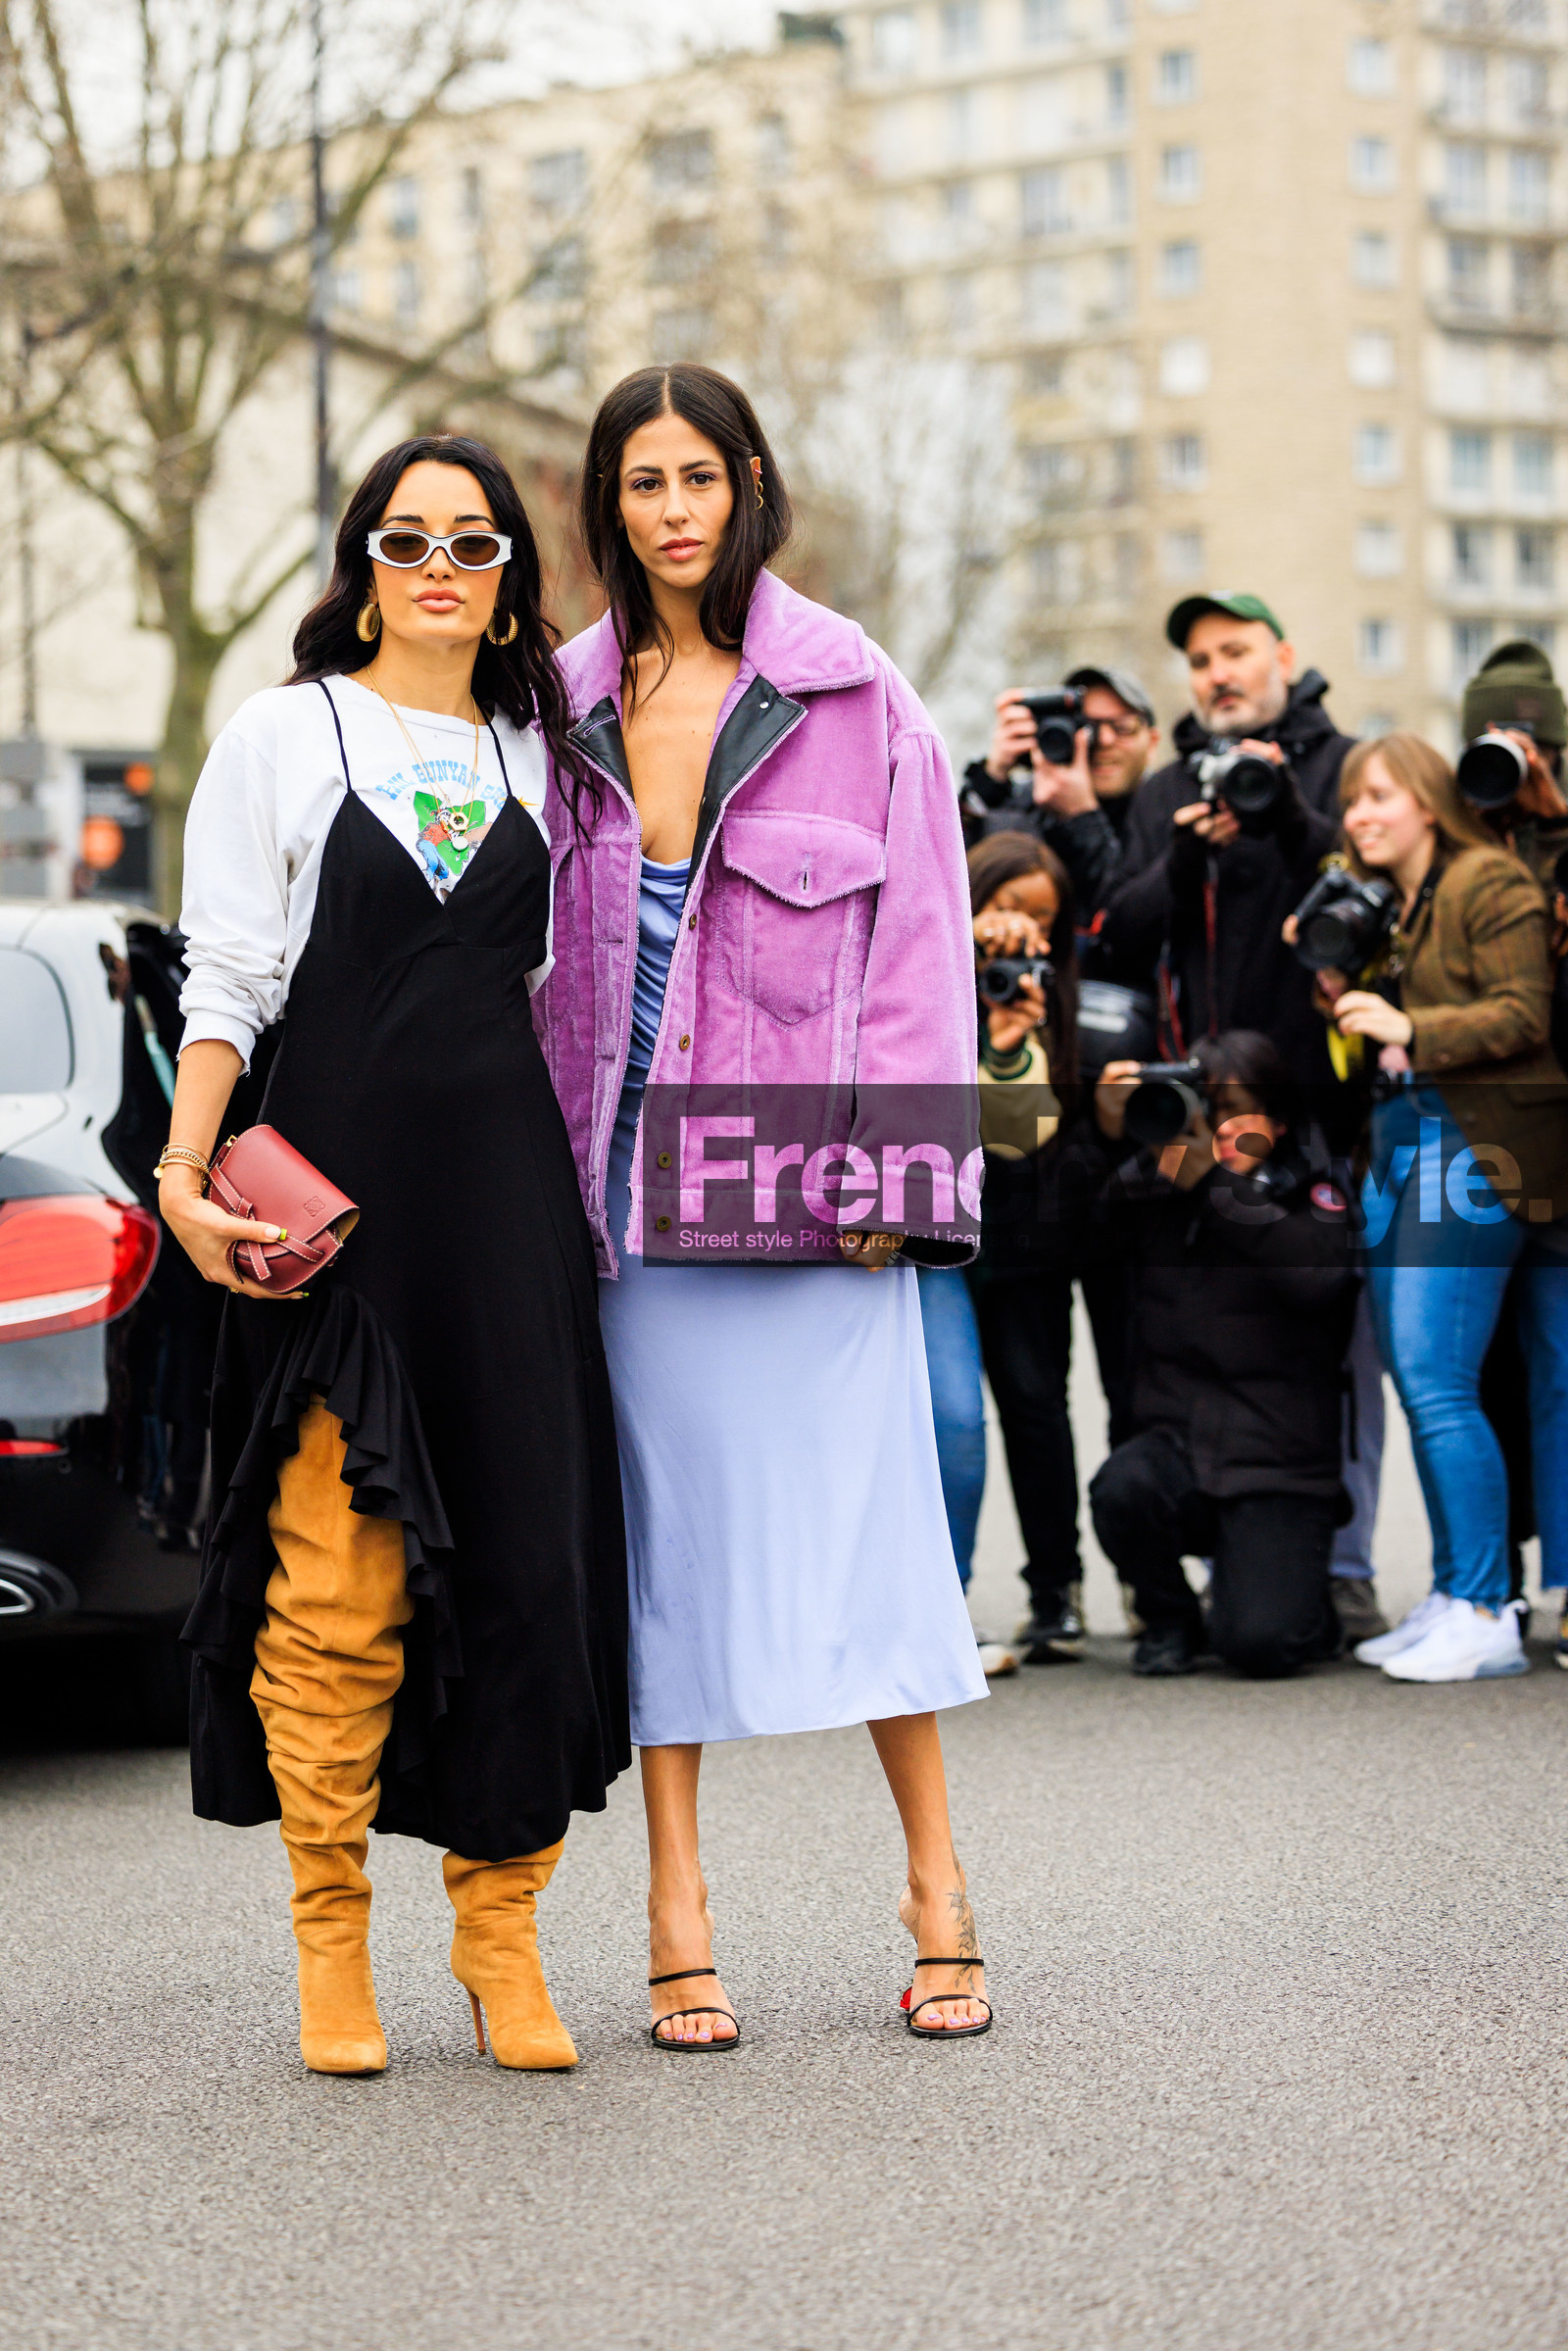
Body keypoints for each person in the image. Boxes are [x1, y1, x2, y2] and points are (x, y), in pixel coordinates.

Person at [534, 364, 992, 2047]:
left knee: (876, 1541)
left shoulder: (854, 693)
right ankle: (674, 1899)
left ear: (749, 489)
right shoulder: (552, 702)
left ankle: (940, 1885)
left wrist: (900, 1170)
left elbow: (923, 951)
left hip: (805, 1189)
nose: (672, 510)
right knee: (667, 1558)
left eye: (700, 477)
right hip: (621, 1205)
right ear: (610, 501)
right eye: (642, 481)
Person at [164, 436, 630, 2075]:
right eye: (407, 534)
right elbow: (224, 973)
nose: (440, 561)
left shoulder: (546, 758)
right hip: (340, 1221)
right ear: (363, 558)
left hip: (505, 1219)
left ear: (512, 576)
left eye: (475, 539)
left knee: (524, 1574)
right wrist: (180, 1163)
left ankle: (502, 1940)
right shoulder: (286, 734)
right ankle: (331, 1942)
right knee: (338, 1585)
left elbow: (571, 1003)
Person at [1324, 733, 1568, 1683]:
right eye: (1351, 801)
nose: (1358, 814)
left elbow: (1523, 1012)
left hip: (1474, 1140)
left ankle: (1482, 1605)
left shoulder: (1487, 881)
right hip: (1413, 1134)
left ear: (1428, 799)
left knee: (1434, 1375)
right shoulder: (1411, 901)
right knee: (1418, 1376)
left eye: (1377, 794)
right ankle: (1451, 1589)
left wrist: (1409, 1024)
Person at [1082, 1032, 1357, 1678]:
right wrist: (1127, 1134)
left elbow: (1315, 1277)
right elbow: (1089, 1234)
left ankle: (1295, 1603)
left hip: (1278, 1463)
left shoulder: (1311, 1191)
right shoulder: (1161, 1185)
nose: (1219, 1128)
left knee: (1260, 1645)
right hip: (1181, 1447)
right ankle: (1171, 1616)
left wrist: (1218, 1185)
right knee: (1121, 1487)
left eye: (1238, 1112)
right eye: (1207, 1107)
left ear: (1281, 1121)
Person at [942, 833, 1130, 1664]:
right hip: (932, 1228)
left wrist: (1012, 1035)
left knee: (1034, 1405)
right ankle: (937, 1597)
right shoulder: (927, 961)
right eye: (1012, 911)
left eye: (1047, 921)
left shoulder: (1057, 1003)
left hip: (1028, 1236)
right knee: (951, 1418)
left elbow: (1028, 1133)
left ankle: (1056, 1588)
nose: (1030, 936)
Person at [1096, 593, 1354, 1089]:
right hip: (1198, 1093)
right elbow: (1120, 938)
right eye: (1200, 662)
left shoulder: (1347, 767)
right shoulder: (1166, 789)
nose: (1217, 675)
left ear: (1284, 659)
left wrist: (1293, 819)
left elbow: (1377, 901)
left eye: (1235, 653)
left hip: (1323, 1093)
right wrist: (1180, 865)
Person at [961, 664, 1159, 921]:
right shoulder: (1022, 806)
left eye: (1123, 727)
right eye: (1089, 726)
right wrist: (990, 780)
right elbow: (952, 883)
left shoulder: (1164, 813)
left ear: (1153, 742)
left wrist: (1081, 817)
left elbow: (1129, 917)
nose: (1104, 741)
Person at [1458, 638, 1568, 901]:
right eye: (1495, 751)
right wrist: (1467, 826)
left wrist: (1557, 827)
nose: (1512, 766)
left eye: (1533, 749)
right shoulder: (1453, 800)